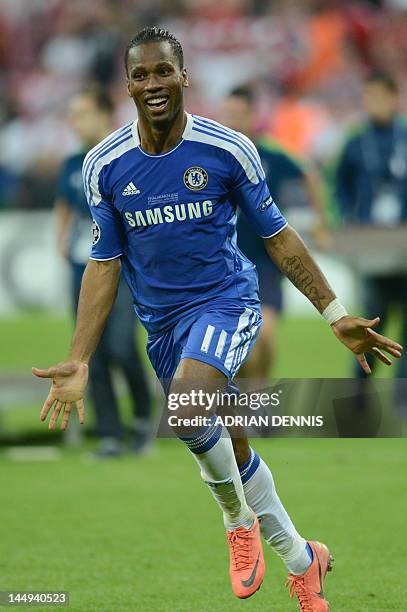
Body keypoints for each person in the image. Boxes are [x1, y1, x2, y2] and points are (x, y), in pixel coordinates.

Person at [33, 28, 402, 610]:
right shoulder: (105, 164)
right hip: (163, 325)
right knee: (230, 442)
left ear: (184, 77)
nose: (152, 83)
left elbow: (279, 238)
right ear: (127, 84)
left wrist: (334, 312)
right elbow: (103, 264)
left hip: (226, 301)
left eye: (163, 72)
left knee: (185, 407)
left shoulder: (227, 149)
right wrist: (79, 357)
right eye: (141, 74)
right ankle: (306, 561)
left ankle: (236, 522)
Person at [54, 87, 152, 457]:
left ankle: (143, 416)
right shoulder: (71, 163)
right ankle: (110, 433)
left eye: (82, 113)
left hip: (123, 265)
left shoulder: (125, 156)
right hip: (83, 265)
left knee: (122, 343)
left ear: (104, 115)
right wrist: (60, 240)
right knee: (87, 350)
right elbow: (64, 205)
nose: (75, 121)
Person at [221, 86, 330, 379]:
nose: (233, 120)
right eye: (228, 114)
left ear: (253, 115)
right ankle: (250, 402)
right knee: (240, 347)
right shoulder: (215, 155)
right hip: (225, 265)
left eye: (239, 114)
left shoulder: (271, 153)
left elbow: (311, 175)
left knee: (264, 335)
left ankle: (257, 393)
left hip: (266, 262)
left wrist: (321, 224)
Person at [335, 71, 407, 408]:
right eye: (369, 97)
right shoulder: (355, 142)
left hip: (403, 241)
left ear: (394, 99)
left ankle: (400, 397)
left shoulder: (404, 136)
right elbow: (340, 186)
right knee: (371, 319)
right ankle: (360, 392)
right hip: (372, 243)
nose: (373, 104)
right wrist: (348, 217)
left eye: (379, 97)